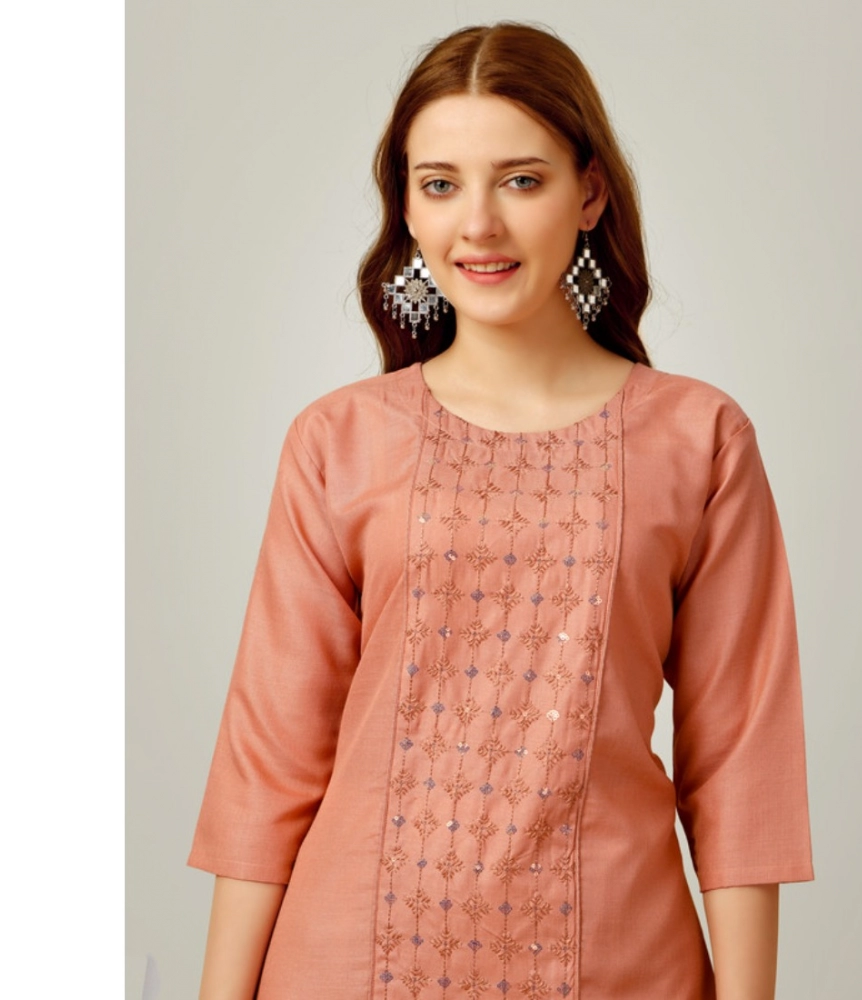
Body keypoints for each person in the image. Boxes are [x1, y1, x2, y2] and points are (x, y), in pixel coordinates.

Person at [188, 21, 814, 1000]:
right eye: (440, 184)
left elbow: (741, 766)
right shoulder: (339, 440)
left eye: (520, 180)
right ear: (406, 205)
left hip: (622, 965)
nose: (477, 224)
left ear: (589, 193)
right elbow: (268, 765)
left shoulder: (699, 440)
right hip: (344, 965)